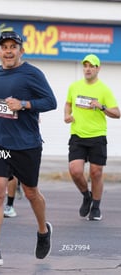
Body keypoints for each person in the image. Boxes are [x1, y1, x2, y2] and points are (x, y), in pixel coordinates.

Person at [0, 30, 57, 266]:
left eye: (13, 46)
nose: (9, 51)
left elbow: (50, 102)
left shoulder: (32, 73)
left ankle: (43, 230)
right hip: (0, 141)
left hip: (27, 144)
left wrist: (24, 104)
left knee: (31, 192)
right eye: (4, 47)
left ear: (21, 50)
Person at [64, 54, 120, 221]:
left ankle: (96, 207)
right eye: (85, 65)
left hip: (97, 136)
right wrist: (67, 115)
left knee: (96, 173)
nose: (87, 69)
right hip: (77, 135)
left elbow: (117, 113)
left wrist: (101, 107)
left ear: (98, 68)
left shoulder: (104, 90)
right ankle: (86, 195)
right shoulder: (74, 86)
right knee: (75, 171)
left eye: (91, 66)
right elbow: (68, 103)